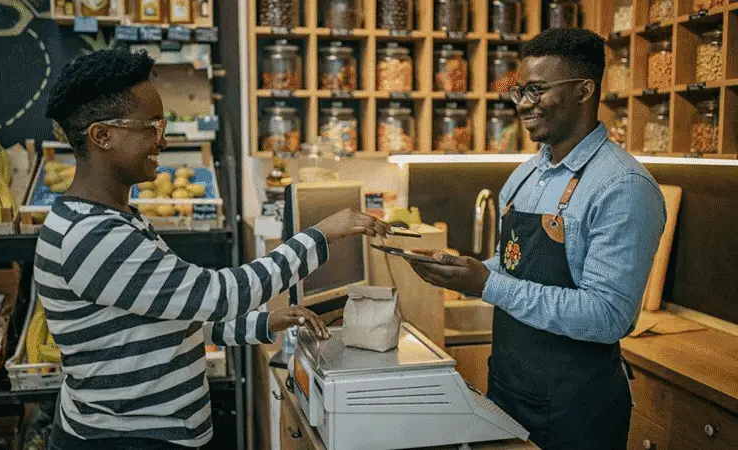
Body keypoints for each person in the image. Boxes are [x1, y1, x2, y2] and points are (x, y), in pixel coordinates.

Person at [36, 49, 389, 450]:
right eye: (151, 126)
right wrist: (322, 234)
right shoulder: (92, 235)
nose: (163, 140)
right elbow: (217, 295)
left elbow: (168, 320)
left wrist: (262, 324)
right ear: (102, 136)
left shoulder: (114, 219)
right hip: (128, 440)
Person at [408, 28, 666, 450]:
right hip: (510, 388)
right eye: (520, 91)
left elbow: (606, 316)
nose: (523, 105)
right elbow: (513, 265)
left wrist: (487, 283)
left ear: (584, 90)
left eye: (537, 91)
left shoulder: (623, 187)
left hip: (576, 410)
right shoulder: (526, 174)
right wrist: (460, 273)